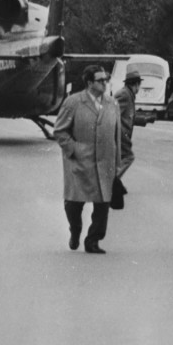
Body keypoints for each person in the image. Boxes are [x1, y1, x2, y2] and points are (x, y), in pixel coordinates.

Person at [53, 65, 122, 255]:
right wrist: (74, 149)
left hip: (105, 162)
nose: (104, 83)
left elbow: (116, 135)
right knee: (74, 204)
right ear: (89, 83)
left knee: (103, 204)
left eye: (105, 80)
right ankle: (75, 229)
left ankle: (93, 240)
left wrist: (117, 163)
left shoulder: (112, 103)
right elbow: (59, 130)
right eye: (100, 80)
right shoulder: (73, 102)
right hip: (80, 161)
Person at [113, 68, 142, 178]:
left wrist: (144, 119)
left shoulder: (128, 94)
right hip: (120, 134)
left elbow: (128, 116)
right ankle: (112, 181)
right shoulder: (124, 94)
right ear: (137, 84)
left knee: (119, 158)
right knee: (128, 157)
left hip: (121, 135)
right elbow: (113, 114)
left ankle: (111, 181)